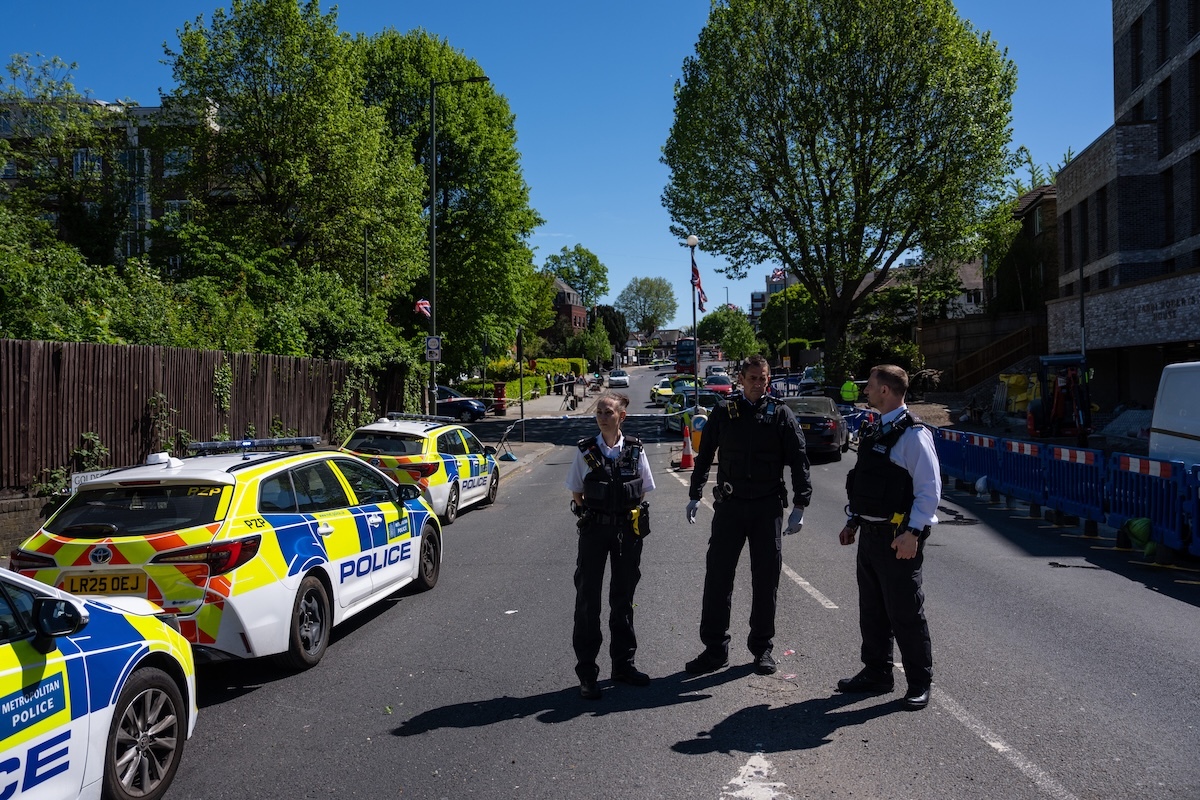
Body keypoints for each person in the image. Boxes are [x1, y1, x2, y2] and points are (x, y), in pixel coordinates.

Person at [684, 354, 811, 676]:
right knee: (718, 578)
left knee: (766, 581)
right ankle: (715, 649)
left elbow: (799, 459)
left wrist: (800, 505)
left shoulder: (781, 414)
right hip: (730, 506)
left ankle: (762, 648)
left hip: (767, 508)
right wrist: (695, 493)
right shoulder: (724, 412)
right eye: (753, 378)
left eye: (763, 378)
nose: (759, 384)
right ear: (740, 379)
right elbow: (705, 455)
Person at [836, 364, 941, 711]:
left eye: (870, 385)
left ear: (885, 390)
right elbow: (864, 483)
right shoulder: (875, 430)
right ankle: (877, 672)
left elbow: (929, 490)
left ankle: (919, 683)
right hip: (870, 535)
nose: (864, 391)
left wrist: (914, 532)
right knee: (873, 610)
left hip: (900, 538)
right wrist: (853, 521)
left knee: (906, 612)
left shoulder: (913, 435)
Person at [565, 391, 656, 700]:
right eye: (599, 412)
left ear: (622, 416)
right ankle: (588, 674)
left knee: (623, 599)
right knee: (588, 602)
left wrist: (624, 514)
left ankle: (623, 665)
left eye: (608, 412)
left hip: (627, 533)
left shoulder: (635, 449)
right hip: (594, 532)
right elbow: (577, 491)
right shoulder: (586, 451)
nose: (603, 416)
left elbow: (643, 488)